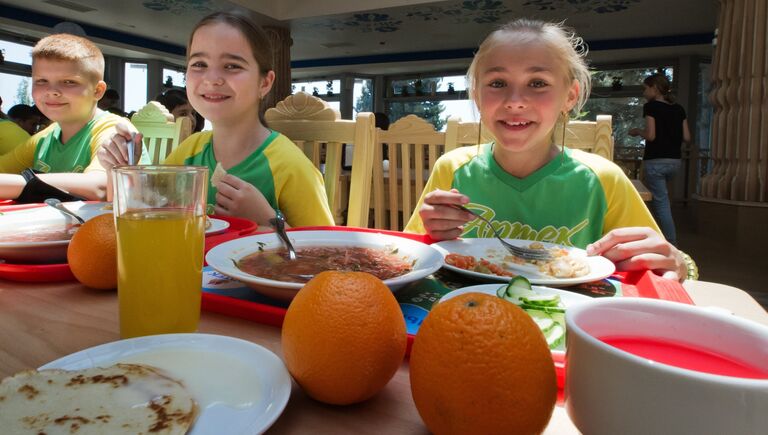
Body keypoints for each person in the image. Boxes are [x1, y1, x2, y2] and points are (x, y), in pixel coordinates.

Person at [405, 19, 687, 281]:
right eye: (497, 83)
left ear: (570, 96)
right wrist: (432, 237)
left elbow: (665, 267)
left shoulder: (603, 180)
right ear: (477, 95)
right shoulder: (452, 169)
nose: (515, 101)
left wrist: (676, 263)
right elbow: (409, 257)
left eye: (537, 83)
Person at [98, 11, 334, 228]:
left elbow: (326, 258)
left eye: (232, 65)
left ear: (265, 82)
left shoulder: (291, 167)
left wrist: (269, 222)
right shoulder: (190, 151)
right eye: (199, 64)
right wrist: (121, 170)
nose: (212, 79)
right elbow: (145, 211)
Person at [0, 33, 130, 201]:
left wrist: (25, 182)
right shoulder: (46, 136)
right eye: (41, 81)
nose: (51, 91)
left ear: (97, 91)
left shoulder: (113, 130)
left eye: (69, 82)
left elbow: (101, 187)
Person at [629, 74, 690, 246]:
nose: (644, 92)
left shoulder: (651, 107)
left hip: (656, 161)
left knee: (660, 204)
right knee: (662, 201)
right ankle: (660, 237)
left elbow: (651, 135)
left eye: (645, 88)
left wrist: (637, 131)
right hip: (675, 162)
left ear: (654, 88)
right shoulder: (679, 109)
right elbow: (687, 136)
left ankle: (671, 244)